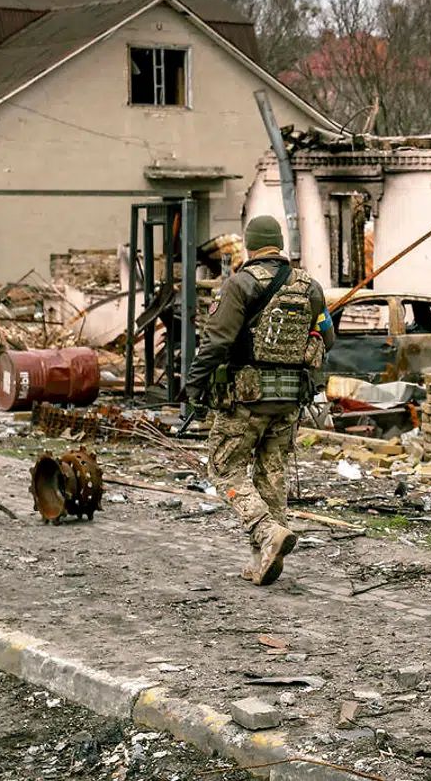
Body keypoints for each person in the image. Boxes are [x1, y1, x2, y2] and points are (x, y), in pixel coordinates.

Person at [184, 215, 329, 586]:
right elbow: (328, 338)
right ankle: (264, 557)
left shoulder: (240, 284)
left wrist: (194, 387)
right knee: (272, 473)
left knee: (223, 466)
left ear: (249, 245)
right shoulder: (310, 286)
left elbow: (217, 343)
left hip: (246, 400)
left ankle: (266, 532)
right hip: (288, 401)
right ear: (278, 243)